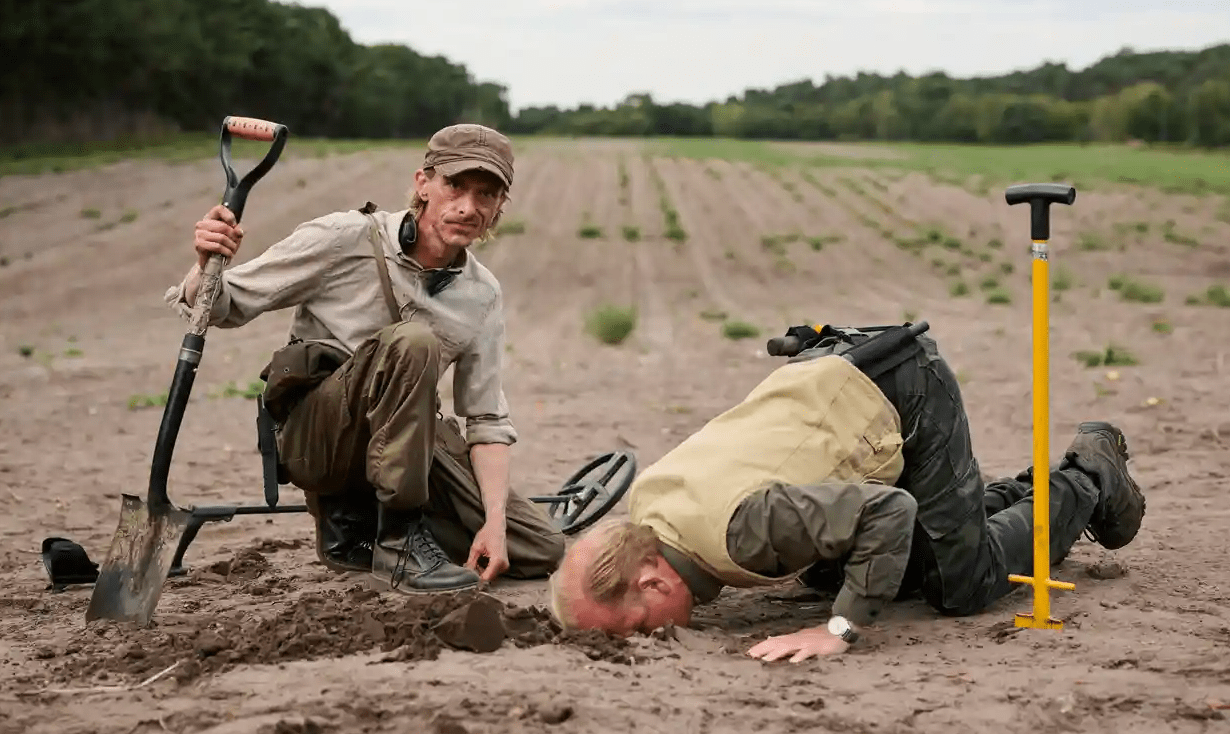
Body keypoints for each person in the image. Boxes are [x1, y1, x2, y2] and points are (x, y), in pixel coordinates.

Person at [548, 327, 1145, 662]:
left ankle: (1086, 478)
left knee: (963, 583)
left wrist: (838, 630)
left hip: (901, 392)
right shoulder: (649, 514)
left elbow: (889, 509)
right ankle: (1018, 496)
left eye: (635, 630)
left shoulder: (744, 533)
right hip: (833, 381)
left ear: (654, 581)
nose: (648, 641)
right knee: (849, 570)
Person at [165, 123, 565, 594]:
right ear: (423, 182)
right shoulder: (345, 237)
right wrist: (205, 261)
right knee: (413, 342)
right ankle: (395, 536)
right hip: (319, 440)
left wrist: (494, 523)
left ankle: (367, 536)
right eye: (454, 185)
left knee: (539, 548)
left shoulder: (482, 294)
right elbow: (221, 305)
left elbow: (486, 419)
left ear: (500, 206)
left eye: (486, 194)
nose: (468, 206)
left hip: (405, 448)